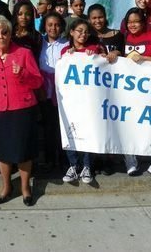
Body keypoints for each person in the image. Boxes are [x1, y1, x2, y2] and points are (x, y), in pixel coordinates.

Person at [0, 16, 43, 206]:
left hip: (22, 108)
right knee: (2, 152)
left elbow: (38, 81)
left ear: (10, 32)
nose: (1, 37)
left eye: (4, 32)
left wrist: (23, 73)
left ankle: (25, 188)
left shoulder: (24, 53)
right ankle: (6, 187)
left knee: (23, 151)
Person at [123, 7, 151, 177]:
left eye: (136, 21)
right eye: (130, 22)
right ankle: (130, 159)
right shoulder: (124, 38)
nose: (133, 25)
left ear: (143, 23)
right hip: (129, 91)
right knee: (129, 124)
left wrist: (144, 59)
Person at [60, 19, 105, 184]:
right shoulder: (65, 51)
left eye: (86, 32)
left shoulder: (94, 49)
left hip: (89, 100)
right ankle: (73, 165)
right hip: (71, 101)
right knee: (70, 131)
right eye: (79, 31)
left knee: (88, 131)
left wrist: (97, 56)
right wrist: (67, 56)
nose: (83, 34)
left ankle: (87, 166)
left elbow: (105, 63)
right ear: (71, 32)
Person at [38, 12, 68, 172]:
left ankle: (64, 159)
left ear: (62, 26)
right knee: (48, 126)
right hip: (44, 90)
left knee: (62, 126)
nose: (53, 28)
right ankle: (49, 159)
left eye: (57, 25)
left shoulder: (67, 44)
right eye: (50, 25)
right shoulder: (39, 43)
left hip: (63, 91)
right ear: (44, 26)